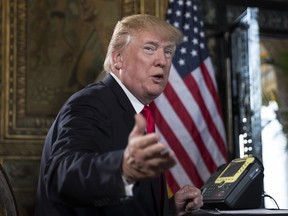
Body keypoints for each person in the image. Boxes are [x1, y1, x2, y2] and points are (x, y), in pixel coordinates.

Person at [34, 14, 203, 216]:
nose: (162, 61)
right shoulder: (90, 103)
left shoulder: (136, 110)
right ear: (118, 59)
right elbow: (61, 178)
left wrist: (169, 208)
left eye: (168, 51)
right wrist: (121, 169)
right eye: (149, 48)